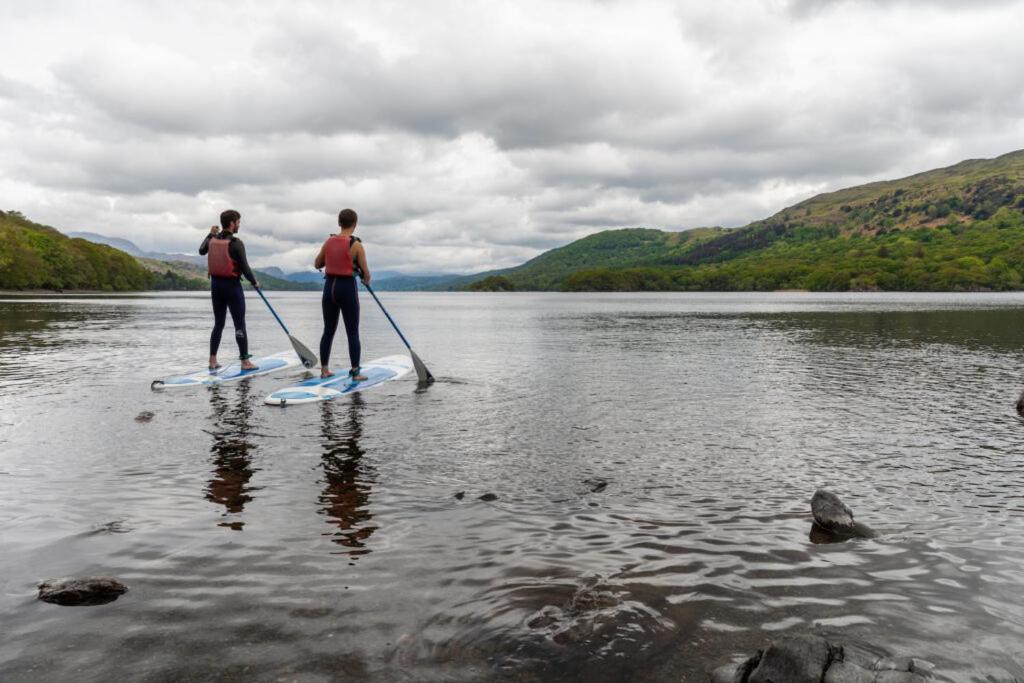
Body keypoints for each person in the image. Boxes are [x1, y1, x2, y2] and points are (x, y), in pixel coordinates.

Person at [199, 209, 260, 371]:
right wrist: (254, 282)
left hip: (216, 287)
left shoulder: (212, 240)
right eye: (238, 222)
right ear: (232, 223)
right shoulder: (236, 243)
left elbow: (201, 250)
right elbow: (245, 268)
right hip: (232, 287)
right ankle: (245, 362)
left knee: (218, 323)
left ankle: (212, 360)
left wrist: (209, 234)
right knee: (239, 324)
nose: (239, 225)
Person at [314, 208, 371, 380]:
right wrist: (365, 279)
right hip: (346, 288)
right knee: (352, 332)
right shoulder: (357, 245)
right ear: (355, 224)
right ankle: (355, 372)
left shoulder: (329, 241)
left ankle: (324, 370)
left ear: (339, 223)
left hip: (329, 287)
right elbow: (366, 273)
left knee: (328, 330)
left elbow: (317, 263)